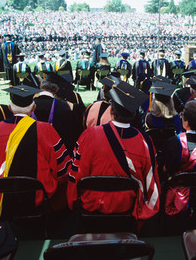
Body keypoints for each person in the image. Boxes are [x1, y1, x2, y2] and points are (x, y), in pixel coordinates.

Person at [66, 81, 160, 223]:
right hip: (128, 205)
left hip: (92, 204)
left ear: (111, 110)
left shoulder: (90, 135)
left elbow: (77, 172)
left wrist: (73, 200)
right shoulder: (145, 141)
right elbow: (151, 182)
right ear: (134, 114)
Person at [0, 84, 71, 222]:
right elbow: (63, 168)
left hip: (3, 193)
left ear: (10, 108)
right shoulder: (45, 129)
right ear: (33, 108)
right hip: (38, 195)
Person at [31, 72, 84, 155]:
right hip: (59, 151)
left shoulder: (29, 105)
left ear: (41, 86)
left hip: (34, 151)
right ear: (56, 90)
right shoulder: (67, 107)